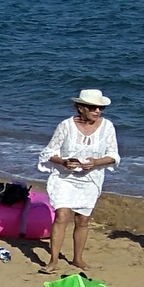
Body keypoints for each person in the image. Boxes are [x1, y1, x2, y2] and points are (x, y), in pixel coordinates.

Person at [37, 89, 120, 274]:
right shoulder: (66, 126)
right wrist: (64, 162)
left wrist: (96, 162)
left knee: (83, 220)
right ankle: (53, 260)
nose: (97, 111)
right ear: (80, 107)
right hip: (64, 178)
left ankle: (78, 258)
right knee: (61, 216)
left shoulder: (107, 127)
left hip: (91, 179)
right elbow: (49, 152)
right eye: (93, 107)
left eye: (101, 108)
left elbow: (114, 155)